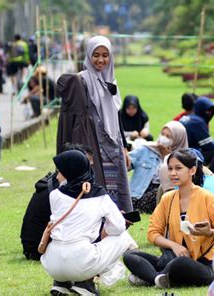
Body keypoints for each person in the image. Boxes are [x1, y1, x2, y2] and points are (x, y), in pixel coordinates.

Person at [123, 149, 214, 288]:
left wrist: (209, 232)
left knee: (180, 264)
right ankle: (159, 279)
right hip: (173, 256)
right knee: (130, 256)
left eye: (178, 168)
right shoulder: (168, 198)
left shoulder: (206, 197)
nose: (173, 173)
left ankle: (150, 276)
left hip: (202, 263)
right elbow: (153, 233)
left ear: (192, 170)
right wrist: (174, 245)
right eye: (170, 169)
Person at [40, 150, 137, 295]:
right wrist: (105, 230)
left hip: (52, 263)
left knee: (73, 241)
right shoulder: (100, 196)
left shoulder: (55, 195)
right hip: (81, 261)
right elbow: (118, 227)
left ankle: (61, 283)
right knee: (123, 236)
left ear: (69, 172)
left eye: (60, 171)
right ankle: (85, 284)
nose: (57, 175)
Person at [57, 35, 132, 212]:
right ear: (89, 55)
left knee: (115, 189)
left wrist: (124, 146)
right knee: (98, 187)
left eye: (105, 55)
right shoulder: (82, 80)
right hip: (95, 144)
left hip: (114, 145)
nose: (101, 59)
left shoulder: (111, 81)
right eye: (96, 55)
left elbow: (116, 114)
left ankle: (115, 224)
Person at [20, 143, 94, 261]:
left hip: (32, 246)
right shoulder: (60, 190)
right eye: (86, 164)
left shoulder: (53, 182)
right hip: (39, 249)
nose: (89, 170)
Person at [129, 121, 188, 213]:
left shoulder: (183, 159)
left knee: (162, 190)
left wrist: (167, 157)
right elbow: (126, 164)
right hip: (137, 194)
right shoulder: (146, 149)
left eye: (168, 137)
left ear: (178, 139)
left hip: (160, 195)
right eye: (163, 134)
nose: (164, 138)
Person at [180, 96, 214, 164]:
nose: (209, 113)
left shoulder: (187, 117)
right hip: (186, 154)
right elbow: (209, 146)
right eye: (207, 111)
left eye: (210, 111)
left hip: (178, 150)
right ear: (201, 109)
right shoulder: (198, 122)